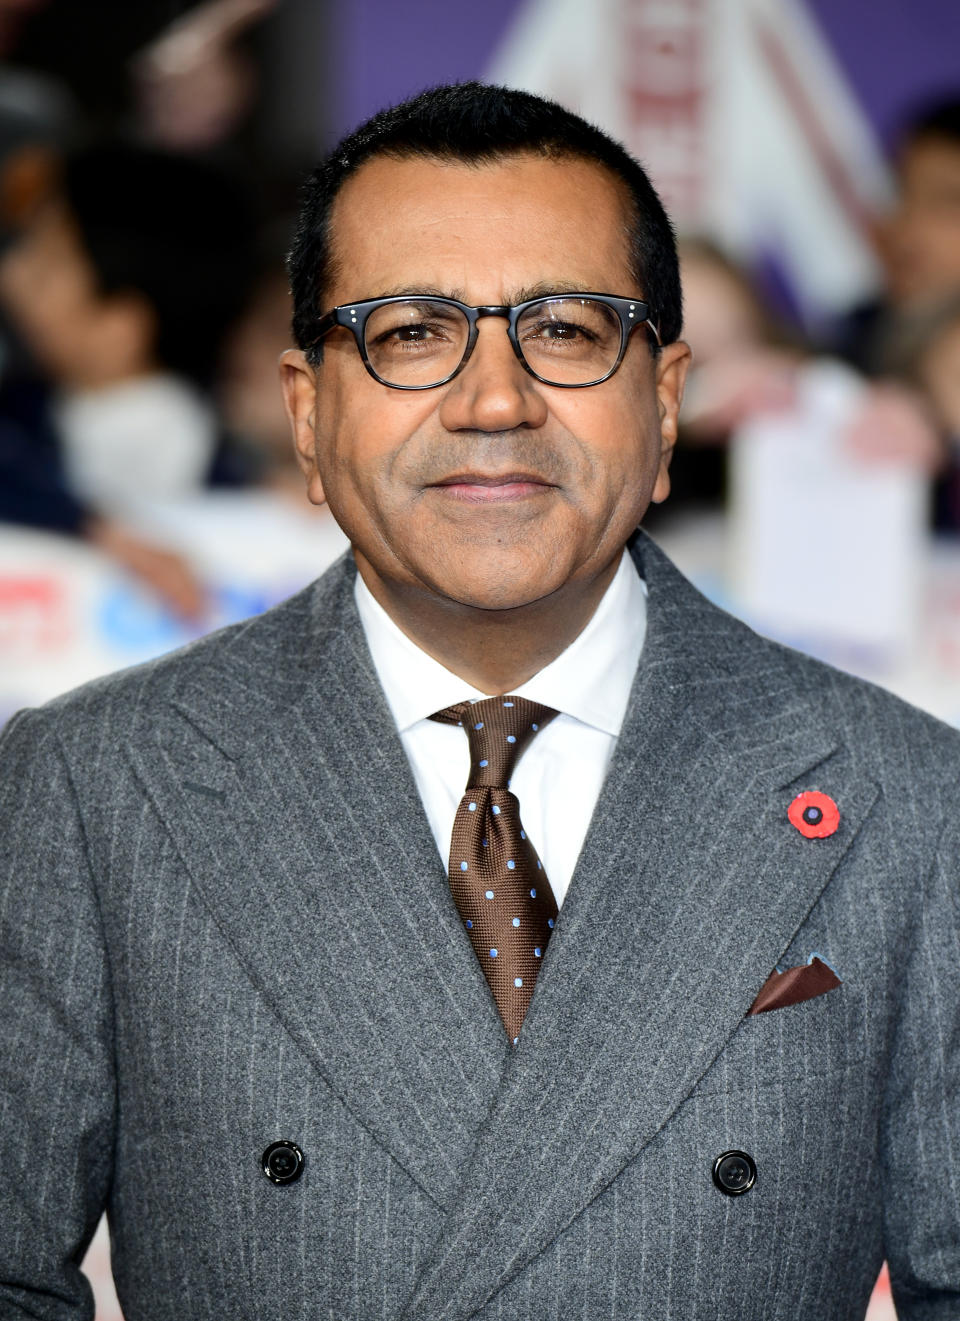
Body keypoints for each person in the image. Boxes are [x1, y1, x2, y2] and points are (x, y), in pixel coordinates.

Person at [1, 82, 958, 1321]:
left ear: (664, 402)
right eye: (409, 332)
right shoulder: (88, 785)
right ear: (306, 411)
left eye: (564, 330)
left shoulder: (911, 802)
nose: (493, 400)